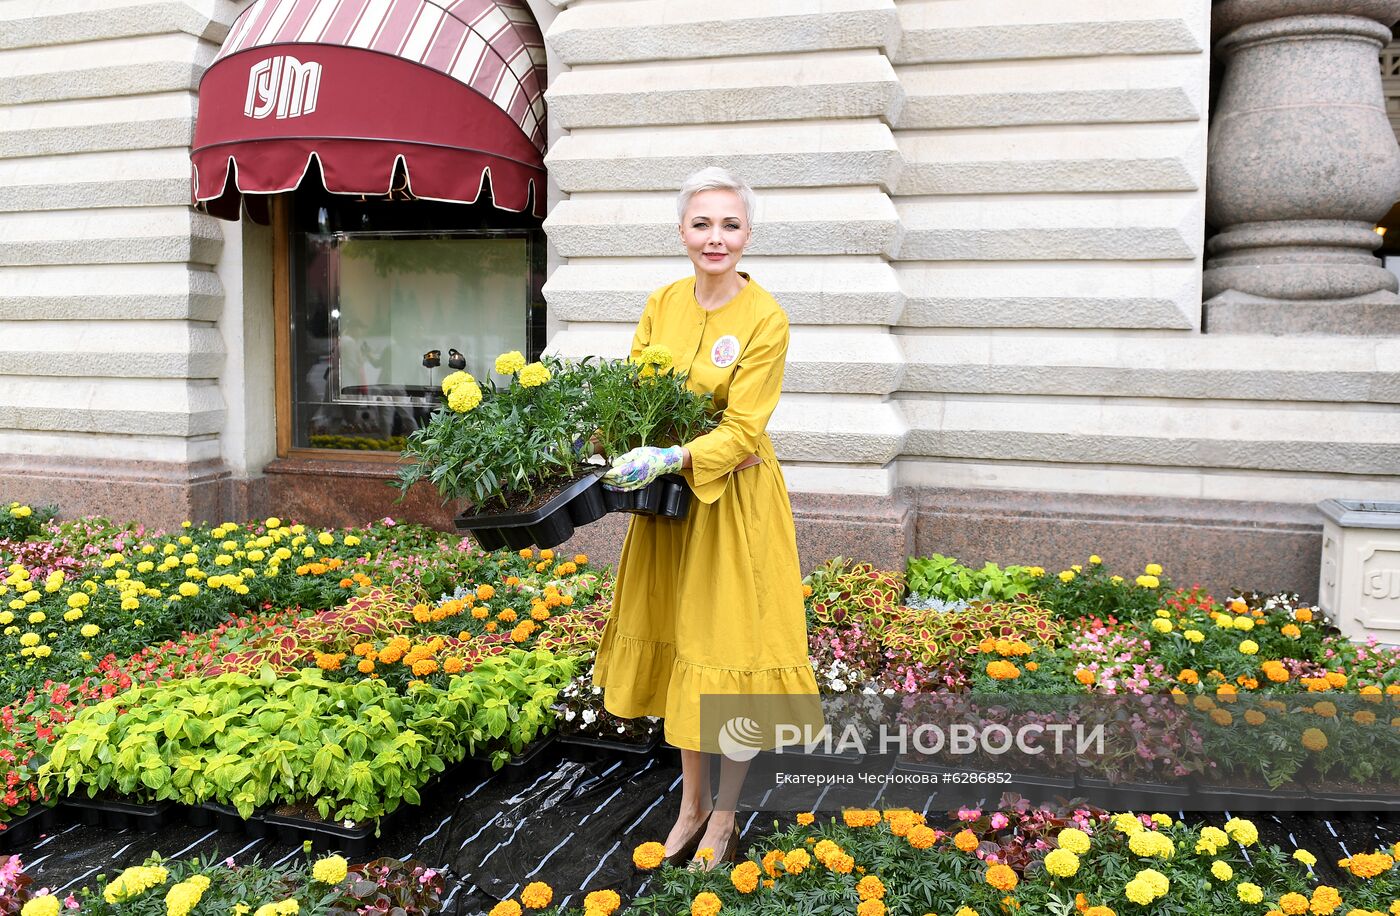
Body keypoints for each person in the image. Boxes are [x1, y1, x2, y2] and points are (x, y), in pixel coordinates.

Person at [591, 167, 821, 870]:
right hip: (669, 508)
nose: (714, 237)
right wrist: (616, 437)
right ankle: (690, 805)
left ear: (747, 235)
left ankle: (724, 817)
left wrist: (673, 454)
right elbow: (636, 391)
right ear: (682, 231)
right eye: (702, 224)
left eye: (729, 225)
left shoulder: (766, 319)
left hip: (733, 505)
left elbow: (746, 428)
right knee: (683, 647)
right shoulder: (662, 302)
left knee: (731, 659)